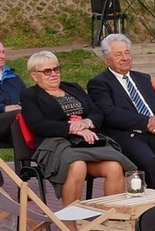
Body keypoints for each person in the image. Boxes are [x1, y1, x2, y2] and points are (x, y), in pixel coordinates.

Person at [86, 33, 155, 191]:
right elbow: (110, 113)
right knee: (150, 162)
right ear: (107, 59)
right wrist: (146, 122)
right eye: (118, 54)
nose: (125, 58)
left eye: (127, 52)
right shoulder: (99, 83)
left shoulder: (142, 78)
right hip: (128, 137)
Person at [17, 50, 130, 202]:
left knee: (115, 167)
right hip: (56, 143)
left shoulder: (73, 88)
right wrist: (73, 128)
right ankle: (70, 223)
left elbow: (97, 113)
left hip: (88, 142)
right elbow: (38, 124)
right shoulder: (30, 95)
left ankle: (114, 220)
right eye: (46, 71)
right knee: (77, 166)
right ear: (33, 75)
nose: (53, 74)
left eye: (56, 69)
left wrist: (85, 123)